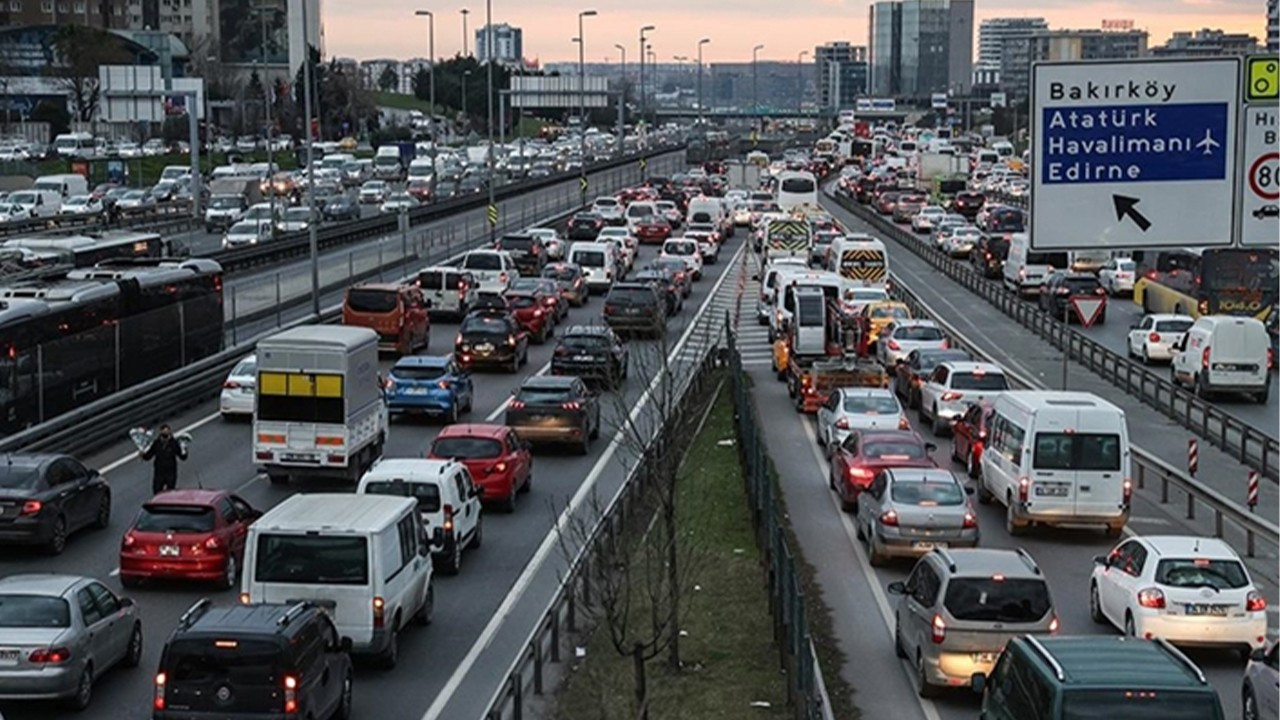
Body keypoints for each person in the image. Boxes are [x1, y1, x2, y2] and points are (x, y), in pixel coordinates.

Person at [141, 424, 187, 494]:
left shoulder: (174, 443)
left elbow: (182, 456)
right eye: (164, 431)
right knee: (157, 492)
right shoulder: (156, 443)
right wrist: (143, 455)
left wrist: (184, 450)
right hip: (159, 472)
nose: (165, 432)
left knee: (170, 492)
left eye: (167, 431)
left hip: (170, 472)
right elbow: (149, 455)